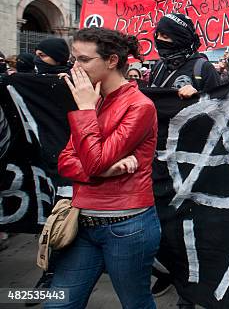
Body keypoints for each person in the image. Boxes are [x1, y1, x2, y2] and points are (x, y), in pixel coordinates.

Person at [47, 27, 160, 309]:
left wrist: (86, 111)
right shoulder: (93, 100)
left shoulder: (139, 106)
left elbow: (92, 161)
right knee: (58, 303)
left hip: (127, 226)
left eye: (84, 60)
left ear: (111, 61)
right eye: (74, 58)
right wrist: (105, 170)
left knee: (136, 303)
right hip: (82, 221)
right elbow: (65, 161)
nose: (76, 67)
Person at [149, 13, 220, 98]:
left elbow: (217, 105)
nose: (158, 39)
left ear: (181, 40)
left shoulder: (205, 69)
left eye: (165, 36)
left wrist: (197, 95)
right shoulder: (158, 66)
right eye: (157, 35)